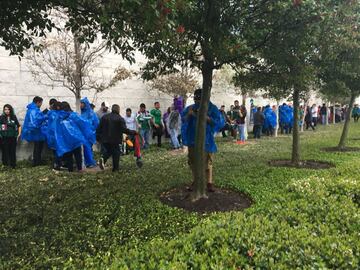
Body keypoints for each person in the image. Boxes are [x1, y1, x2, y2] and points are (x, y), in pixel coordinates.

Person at [181, 88, 224, 192]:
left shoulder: (212, 108)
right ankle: (196, 181)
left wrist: (207, 118)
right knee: (192, 161)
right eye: (195, 100)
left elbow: (219, 123)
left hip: (207, 140)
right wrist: (189, 114)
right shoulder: (190, 108)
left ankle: (209, 183)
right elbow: (183, 120)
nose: (197, 102)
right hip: (192, 139)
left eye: (199, 100)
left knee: (208, 162)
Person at [97, 104, 138, 172]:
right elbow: (124, 130)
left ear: (112, 109)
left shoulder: (104, 117)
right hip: (115, 140)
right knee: (116, 153)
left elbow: (99, 128)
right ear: (118, 110)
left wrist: (98, 137)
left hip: (104, 139)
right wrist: (134, 132)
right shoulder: (120, 119)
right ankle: (115, 169)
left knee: (109, 151)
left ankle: (103, 159)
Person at [21, 96, 46, 166]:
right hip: (36, 132)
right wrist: (45, 116)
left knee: (38, 147)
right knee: (38, 147)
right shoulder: (33, 110)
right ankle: (36, 162)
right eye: (41, 103)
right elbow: (36, 121)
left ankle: (37, 161)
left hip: (36, 131)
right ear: (38, 102)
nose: (41, 104)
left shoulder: (33, 109)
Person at [80, 97, 99, 168]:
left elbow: (96, 123)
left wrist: (91, 130)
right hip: (82, 134)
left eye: (82, 103)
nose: (81, 105)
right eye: (80, 103)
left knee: (87, 148)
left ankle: (90, 162)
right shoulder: (80, 112)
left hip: (89, 134)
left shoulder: (91, 113)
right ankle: (86, 162)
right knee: (84, 149)